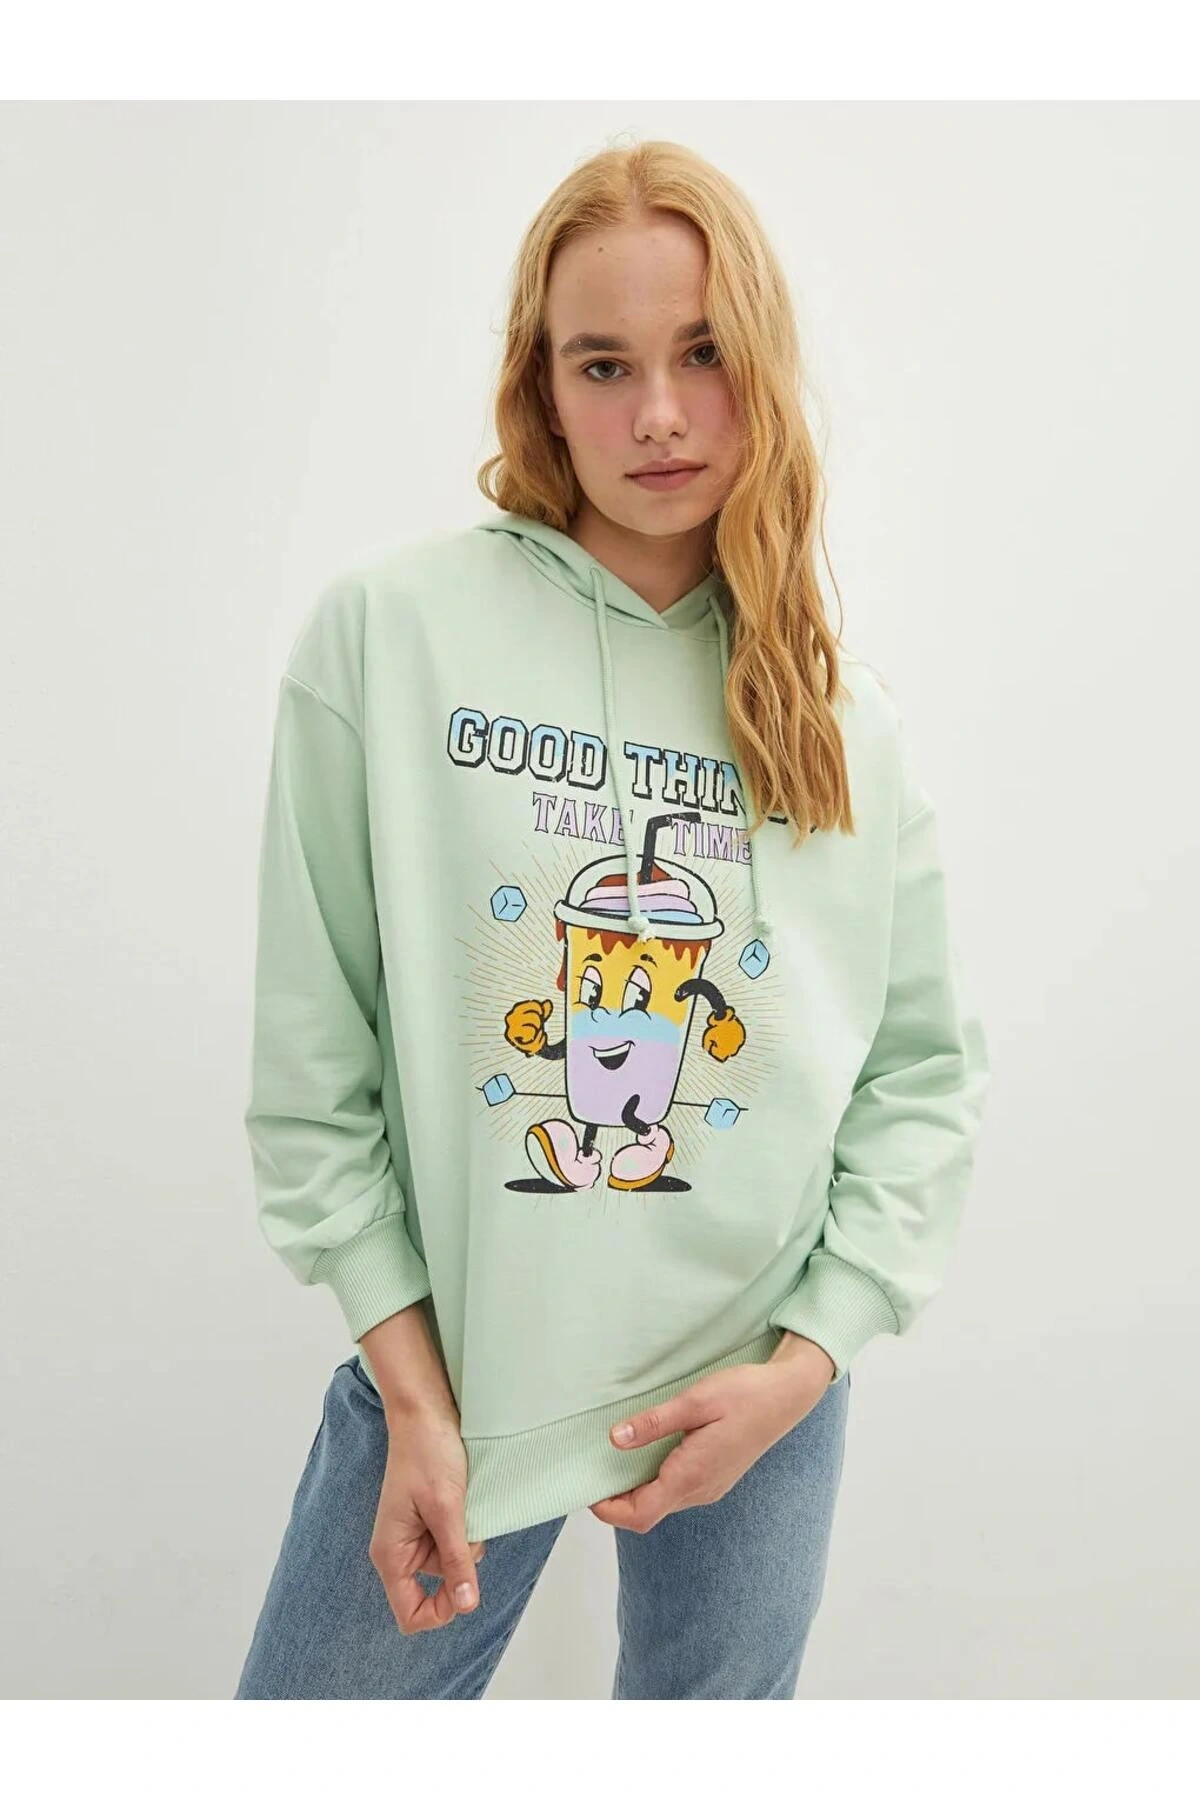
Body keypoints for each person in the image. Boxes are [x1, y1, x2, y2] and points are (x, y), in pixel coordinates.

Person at [233, 138, 990, 1701]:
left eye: (703, 355)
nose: (657, 413)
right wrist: (413, 1395)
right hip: (461, 1380)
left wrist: (809, 1362)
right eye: (605, 363)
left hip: (760, 1382)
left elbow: (922, 1075)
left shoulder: (841, 719)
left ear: (761, 370)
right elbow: (316, 1064)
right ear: (542, 385)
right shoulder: (390, 638)